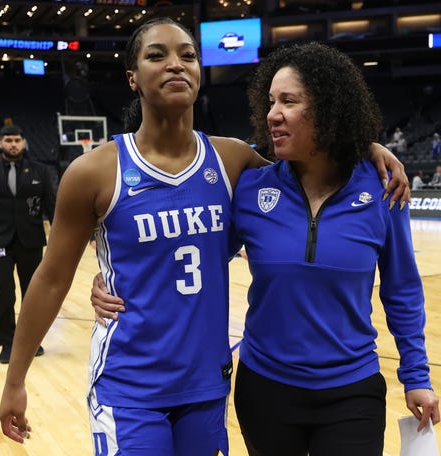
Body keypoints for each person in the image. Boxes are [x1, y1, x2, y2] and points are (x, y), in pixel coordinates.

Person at [0, 18, 408, 455]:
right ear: (132, 78)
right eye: (157, 54)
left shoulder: (233, 161)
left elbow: (313, 159)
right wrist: (16, 380)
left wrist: (367, 148)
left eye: (188, 55)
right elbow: (51, 278)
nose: (176, 64)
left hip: (206, 386)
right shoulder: (95, 171)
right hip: (131, 383)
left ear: (199, 72)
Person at [91, 41, 437, 456]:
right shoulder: (254, 188)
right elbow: (192, 252)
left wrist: (416, 375)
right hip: (266, 388)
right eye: (270, 101)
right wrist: (114, 277)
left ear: (329, 110)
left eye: (288, 101)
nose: (272, 113)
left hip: (352, 389)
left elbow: (401, 289)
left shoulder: (381, 188)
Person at [0, 124, 56, 364]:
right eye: (8, 140)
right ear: (0, 144)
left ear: (24, 142)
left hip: (31, 241)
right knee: (3, 293)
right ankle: (8, 342)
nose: (13, 144)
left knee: (33, 295)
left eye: (17, 140)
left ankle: (31, 341)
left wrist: (60, 242)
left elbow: (53, 207)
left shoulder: (41, 171)